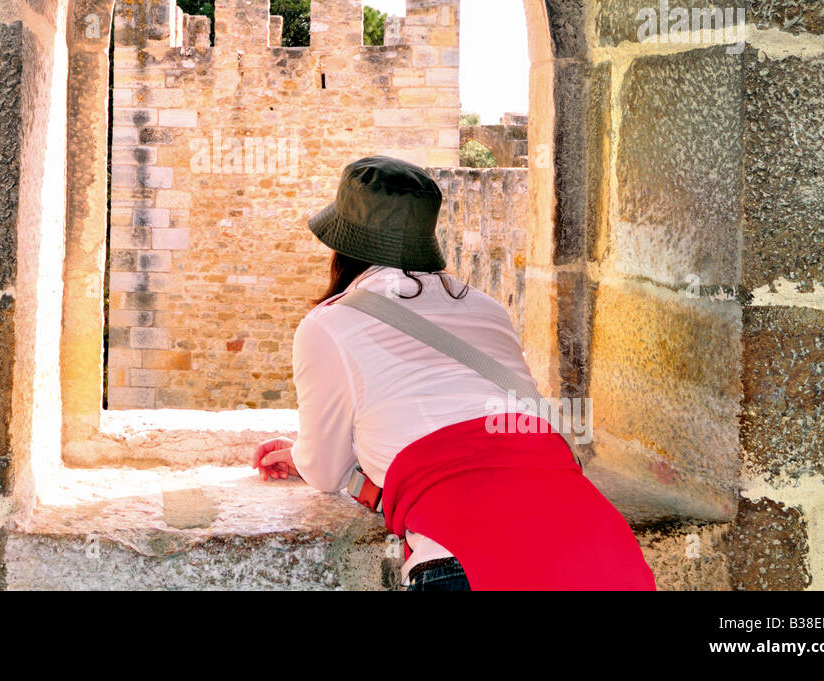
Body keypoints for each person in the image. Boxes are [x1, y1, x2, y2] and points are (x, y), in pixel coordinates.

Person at [251, 156, 656, 591]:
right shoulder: (487, 307)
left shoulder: (329, 324)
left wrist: (299, 455)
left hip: (466, 556)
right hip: (600, 549)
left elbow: (327, 471)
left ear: (342, 244)